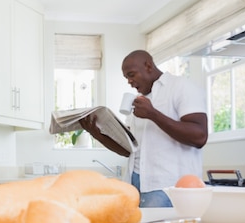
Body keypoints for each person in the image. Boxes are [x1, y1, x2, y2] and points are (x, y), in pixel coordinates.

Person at [80, 50, 208, 207]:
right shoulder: (139, 102)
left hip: (168, 187)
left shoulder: (181, 86)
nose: (129, 81)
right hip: (136, 186)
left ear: (148, 66)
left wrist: (153, 114)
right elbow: (128, 150)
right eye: (126, 77)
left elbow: (200, 136)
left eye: (131, 74)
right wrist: (97, 134)